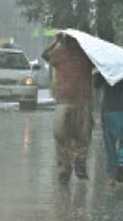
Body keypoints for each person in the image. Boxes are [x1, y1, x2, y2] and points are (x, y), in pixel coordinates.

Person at [42, 33, 94, 184]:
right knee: (80, 137)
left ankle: (72, 167)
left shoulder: (82, 54)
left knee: (64, 137)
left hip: (75, 101)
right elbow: (45, 55)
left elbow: (45, 54)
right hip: (76, 101)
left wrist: (55, 41)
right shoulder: (80, 54)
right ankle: (72, 167)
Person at [95, 71, 123, 185]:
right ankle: (121, 162)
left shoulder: (106, 67)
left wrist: (99, 72)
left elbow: (96, 84)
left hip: (108, 111)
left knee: (110, 145)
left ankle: (111, 177)